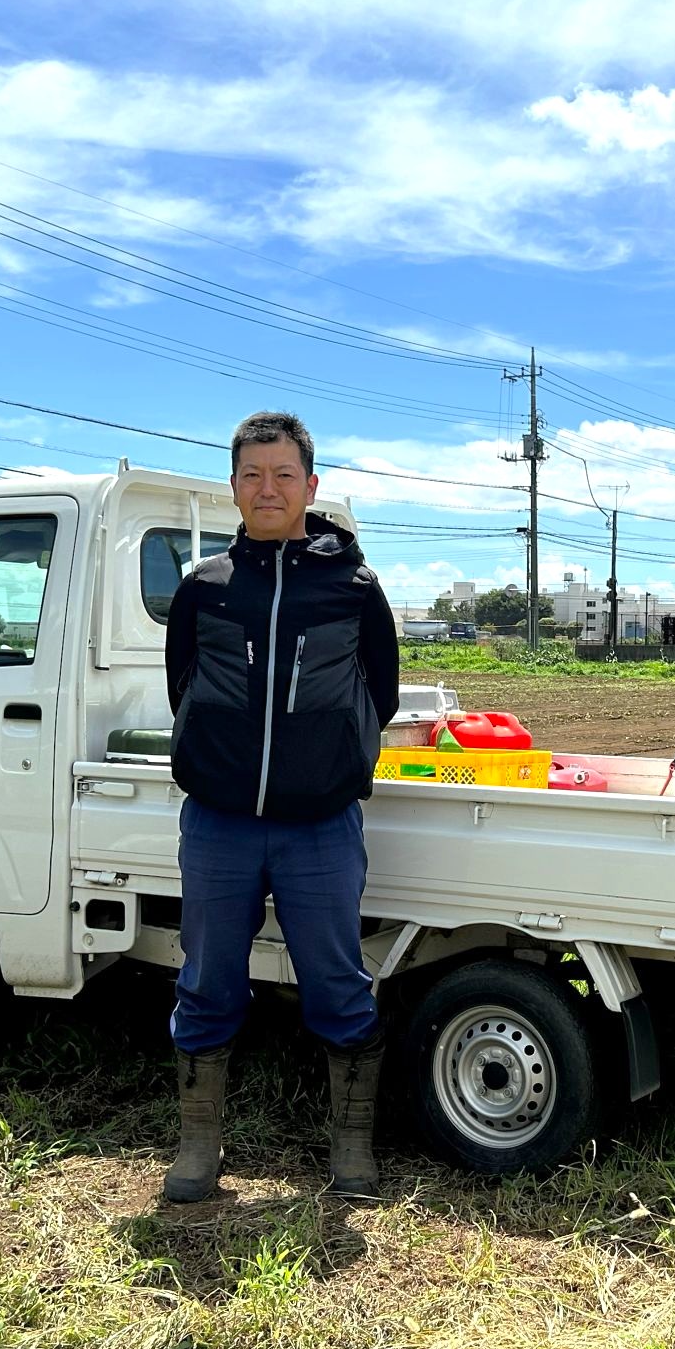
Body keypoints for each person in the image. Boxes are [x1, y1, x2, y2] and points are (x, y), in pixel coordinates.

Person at [162, 411, 400, 1202]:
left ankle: (352, 1152)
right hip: (219, 823)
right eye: (253, 475)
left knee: (337, 981)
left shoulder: (354, 588)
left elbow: (382, 693)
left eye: (284, 475)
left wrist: (326, 767)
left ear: (311, 485)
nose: (268, 488)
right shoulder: (203, 589)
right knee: (206, 982)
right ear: (233, 487)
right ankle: (199, 1149)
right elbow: (183, 688)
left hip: (321, 826)